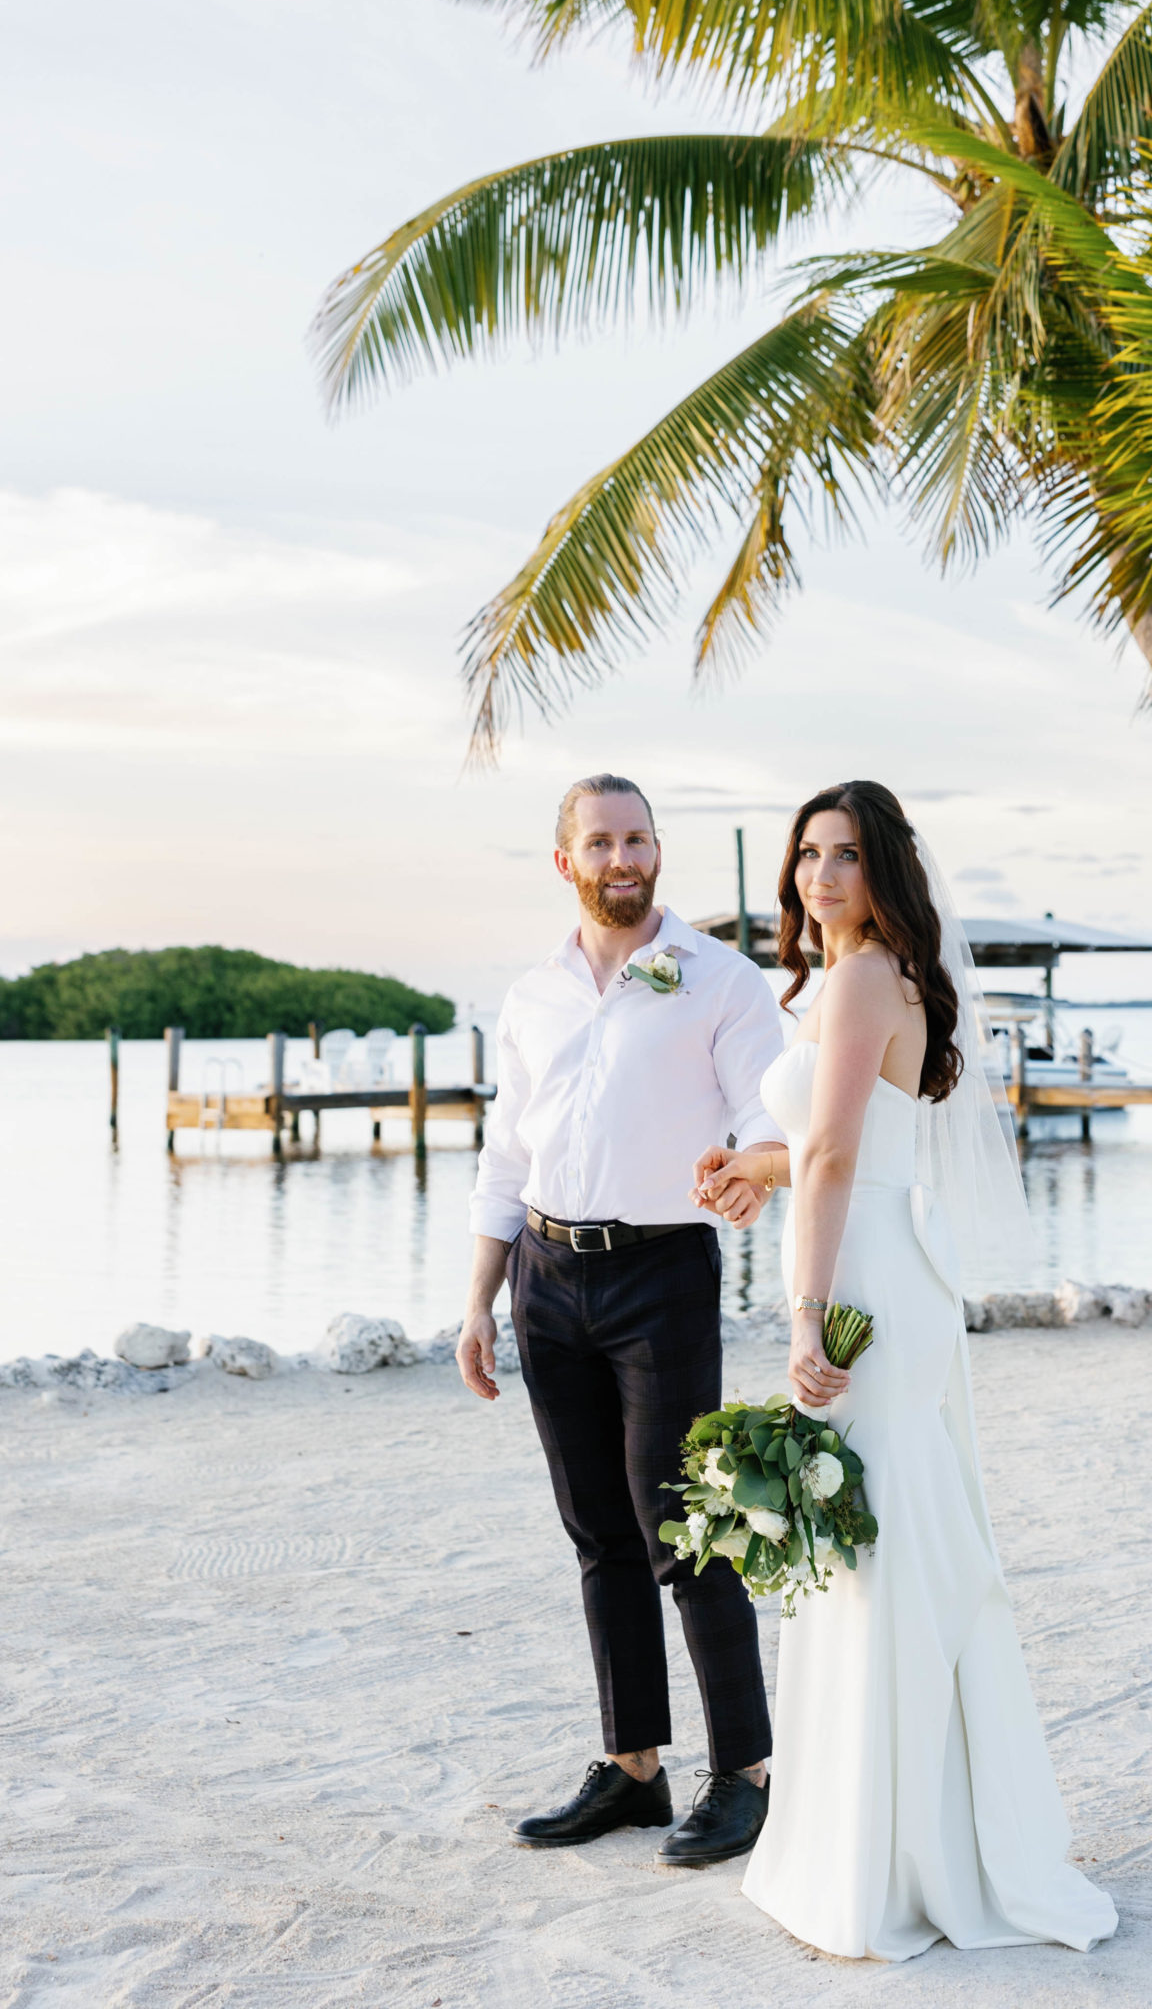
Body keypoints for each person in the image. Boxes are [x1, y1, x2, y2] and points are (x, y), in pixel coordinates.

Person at [694, 780, 1118, 1960]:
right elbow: (840, 1148)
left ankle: (892, 1856)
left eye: (848, 855)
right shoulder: (855, 979)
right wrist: (755, 1168)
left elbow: (837, 1155)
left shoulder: (868, 972)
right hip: (884, 1256)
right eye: (809, 853)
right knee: (873, 1552)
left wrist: (806, 1315)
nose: (822, 875)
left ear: (886, 870)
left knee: (871, 1558)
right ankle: (893, 1834)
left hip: (866, 1284)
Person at [456, 773, 787, 1867]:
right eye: (600, 840)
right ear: (567, 862)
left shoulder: (721, 980)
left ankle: (742, 1774)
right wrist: (478, 1298)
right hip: (544, 1275)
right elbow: (507, 1154)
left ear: (657, 851)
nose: (623, 856)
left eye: (639, 836)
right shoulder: (530, 996)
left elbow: (764, 1116)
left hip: (662, 1277)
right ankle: (634, 1766)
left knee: (686, 1530)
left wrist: (752, 1168)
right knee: (598, 1531)